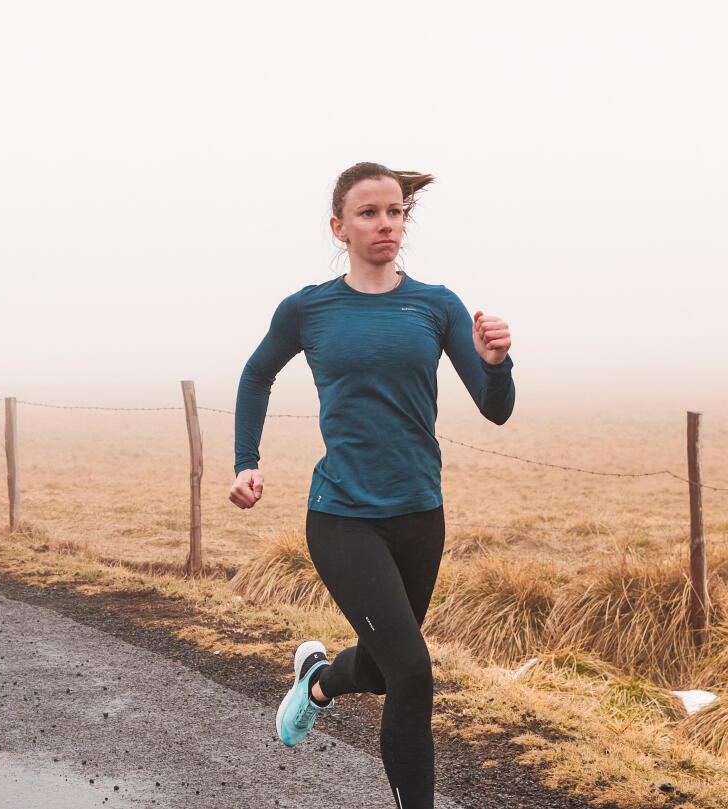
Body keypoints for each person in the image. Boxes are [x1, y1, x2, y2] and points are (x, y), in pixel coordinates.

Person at [229, 161, 515, 809]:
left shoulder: (436, 305)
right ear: (339, 226)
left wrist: (496, 363)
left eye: (394, 211)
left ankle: (318, 682)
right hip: (342, 517)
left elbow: (495, 405)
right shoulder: (308, 309)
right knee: (414, 671)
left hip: (421, 516)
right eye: (368, 213)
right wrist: (246, 460)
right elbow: (255, 375)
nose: (385, 223)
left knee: (389, 668)